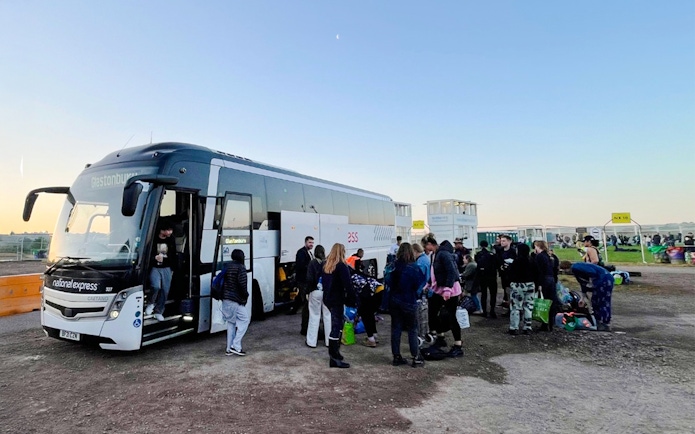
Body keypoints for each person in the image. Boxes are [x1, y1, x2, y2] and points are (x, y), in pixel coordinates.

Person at [423, 235, 464, 357]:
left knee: (451, 316)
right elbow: (434, 272)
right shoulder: (434, 255)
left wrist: (447, 289)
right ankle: (440, 337)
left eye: (425, 245)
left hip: (449, 290)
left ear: (430, 244)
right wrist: (429, 284)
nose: (425, 248)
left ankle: (458, 345)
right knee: (433, 313)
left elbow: (451, 271)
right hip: (439, 289)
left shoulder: (443, 254)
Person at [386, 243, 426, 367]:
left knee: (396, 328)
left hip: (394, 300)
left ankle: (396, 356)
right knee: (412, 329)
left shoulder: (392, 266)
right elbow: (419, 285)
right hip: (409, 301)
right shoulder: (414, 267)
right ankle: (416, 357)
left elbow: (387, 281)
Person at [321, 243, 353, 368]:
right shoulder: (341, 266)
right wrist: (352, 299)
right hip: (338, 299)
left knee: (335, 325)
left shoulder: (326, 265)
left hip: (328, 299)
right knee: (337, 327)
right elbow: (348, 284)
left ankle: (335, 354)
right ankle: (334, 357)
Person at [146, 218, 177, 322]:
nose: (170, 232)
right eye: (168, 230)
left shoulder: (171, 240)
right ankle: (151, 303)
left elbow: (173, 255)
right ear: (162, 230)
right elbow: (147, 253)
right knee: (155, 286)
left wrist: (168, 261)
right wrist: (154, 258)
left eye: (170, 230)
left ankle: (159, 311)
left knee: (165, 290)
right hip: (155, 267)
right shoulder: (153, 239)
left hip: (166, 267)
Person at [571, 262, 614, 331]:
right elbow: (583, 284)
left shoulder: (576, 267)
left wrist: (591, 282)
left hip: (604, 279)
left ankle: (605, 323)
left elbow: (592, 272)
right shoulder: (577, 272)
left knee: (602, 301)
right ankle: (598, 321)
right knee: (595, 301)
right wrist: (582, 298)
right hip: (601, 279)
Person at [222, 249, 250, 356]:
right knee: (245, 320)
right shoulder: (241, 268)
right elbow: (242, 285)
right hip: (235, 300)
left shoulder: (227, 266)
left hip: (225, 299)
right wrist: (245, 296)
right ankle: (236, 345)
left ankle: (229, 349)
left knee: (231, 323)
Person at [305, 245, 330, 348]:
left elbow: (309, 279)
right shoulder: (327, 263)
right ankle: (329, 341)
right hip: (326, 292)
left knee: (314, 316)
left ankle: (311, 342)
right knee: (327, 316)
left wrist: (307, 292)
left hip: (315, 292)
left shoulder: (312, 263)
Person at [507, 243, 535, 335]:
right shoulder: (532, 260)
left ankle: (514, 327)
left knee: (515, 306)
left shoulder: (516, 261)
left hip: (518, 284)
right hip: (530, 284)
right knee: (528, 306)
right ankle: (527, 327)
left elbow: (511, 273)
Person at [289, 236, 314, 335]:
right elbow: (300, 266)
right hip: (303, 280)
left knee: (301, 297)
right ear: (305, 242)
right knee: (306, 301)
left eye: (312, 243)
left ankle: (294, 309)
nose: (311, 244)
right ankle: (304, 327)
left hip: (305, 280)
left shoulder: (309, 252)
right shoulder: (301, 252)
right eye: (309, 243)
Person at [534, 241, 560, 332]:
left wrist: (539, 284)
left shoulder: (539, 256)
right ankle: (551, 323)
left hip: (544, 280)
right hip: (551, 279)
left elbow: (539, 271)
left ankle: (544, 323)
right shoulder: (549, 256)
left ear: (538, 246)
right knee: (551, 301)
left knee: (544, 302)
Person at [475, 240, 498, 318]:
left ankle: (484, 311)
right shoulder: (492, 255)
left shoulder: (478, 255)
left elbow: (477, 265)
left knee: (484, 294)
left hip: (482, 276)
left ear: (480, 245)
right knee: (493, 294)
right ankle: (492, 310)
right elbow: (495, 265)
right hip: (491, 276)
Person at [497, 235, 517, 313]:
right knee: (506, 290)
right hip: (503, 274)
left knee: (512, 291)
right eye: (501, 241)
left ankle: (514, 307)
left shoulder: (513, 251)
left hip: (512, 275)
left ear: (509, 241)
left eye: (504, 241)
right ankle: (508, 307)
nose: (502, 242)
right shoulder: (500, 251)